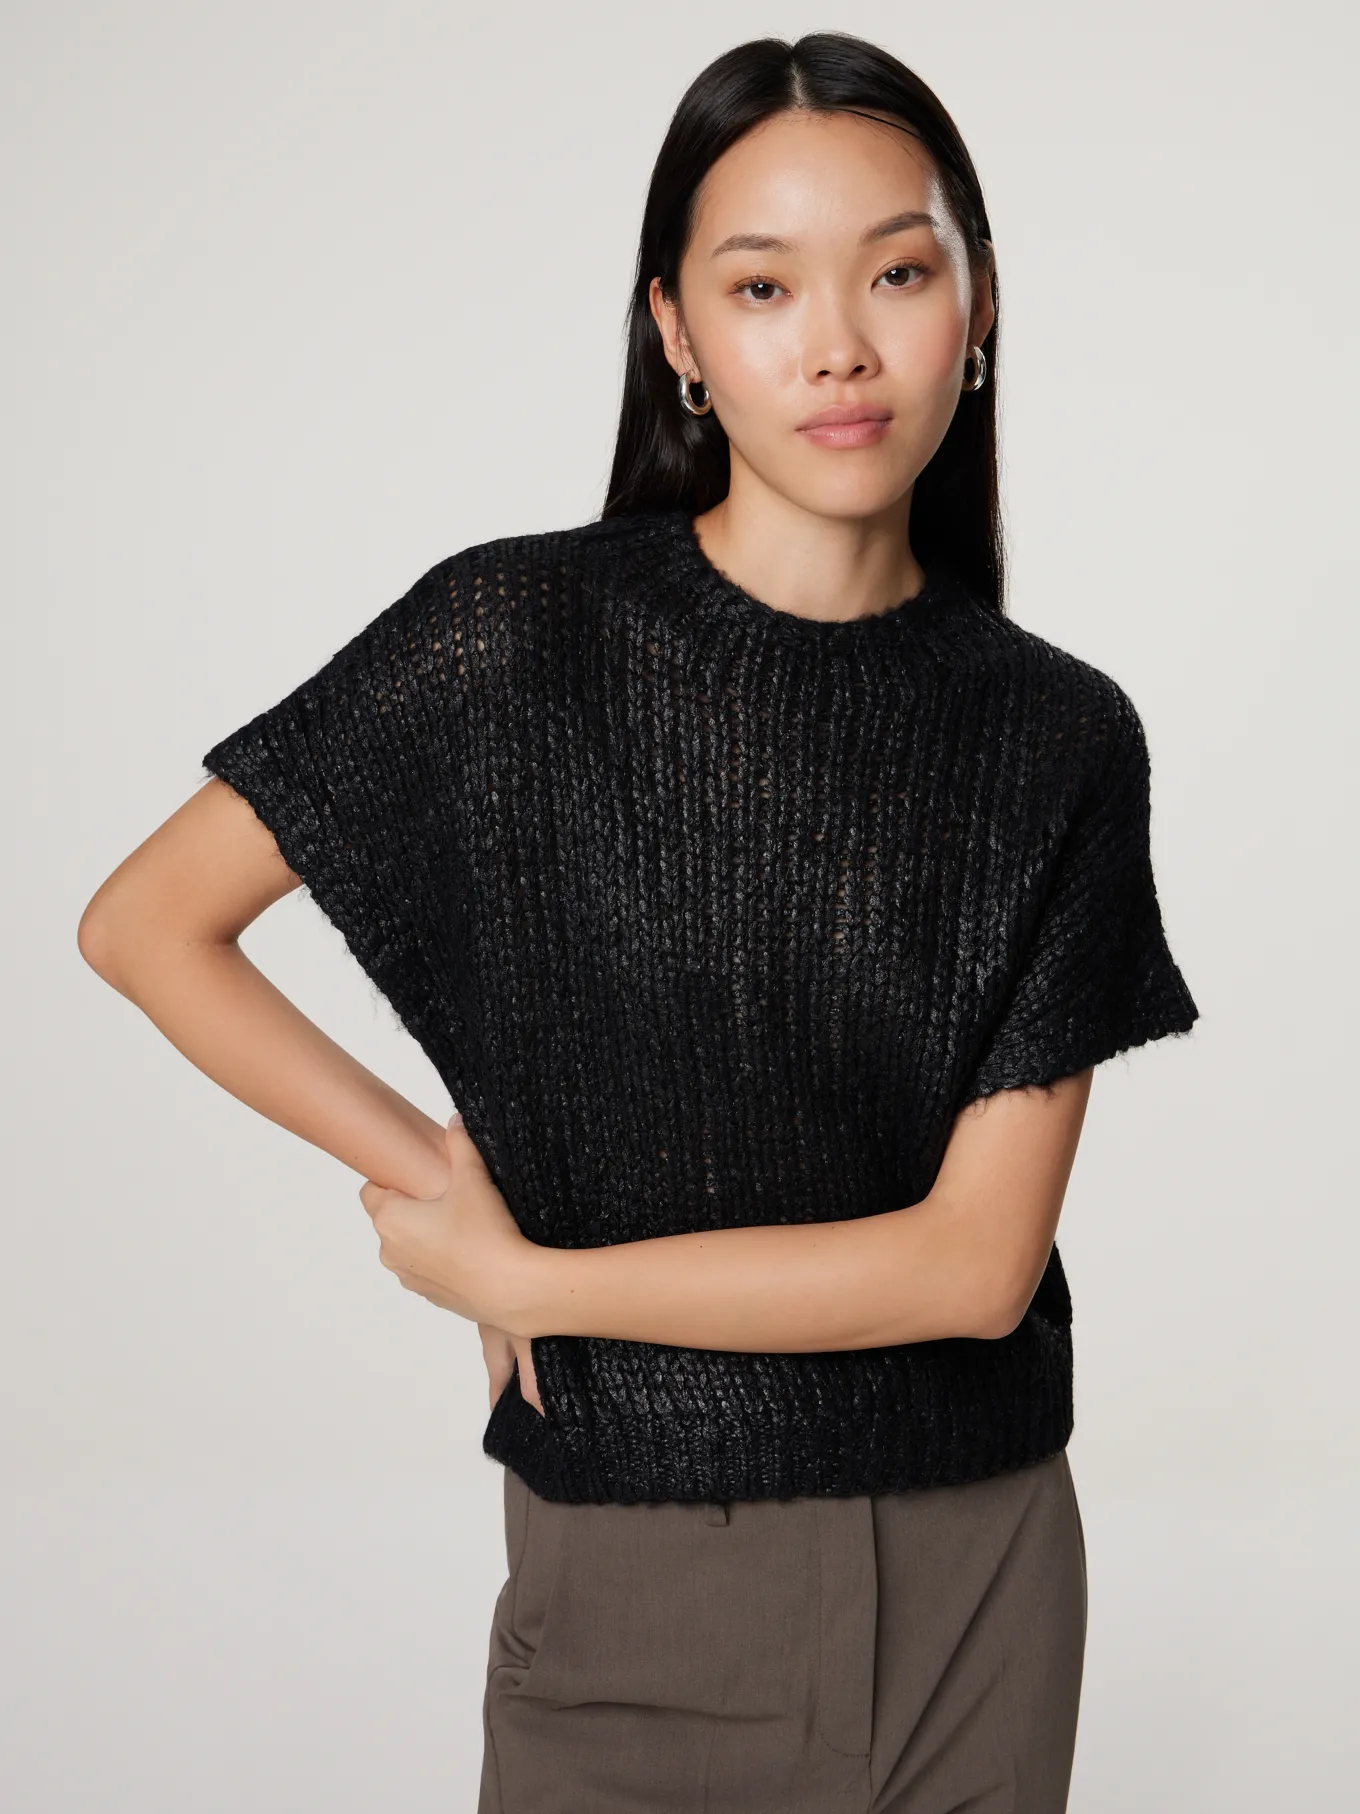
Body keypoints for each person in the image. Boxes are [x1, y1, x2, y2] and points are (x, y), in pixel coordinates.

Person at [77, 30, 1200, 1814]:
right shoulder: (516, 641)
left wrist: (534, 1283)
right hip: (638, 1579)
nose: (836, 346)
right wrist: (440, 1175)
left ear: (979, 301)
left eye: (898, 273)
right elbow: (148, 923)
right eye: (761, 287)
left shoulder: (1060, 735)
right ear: (676, 332)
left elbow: (974, 1267)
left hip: (981, 1578)